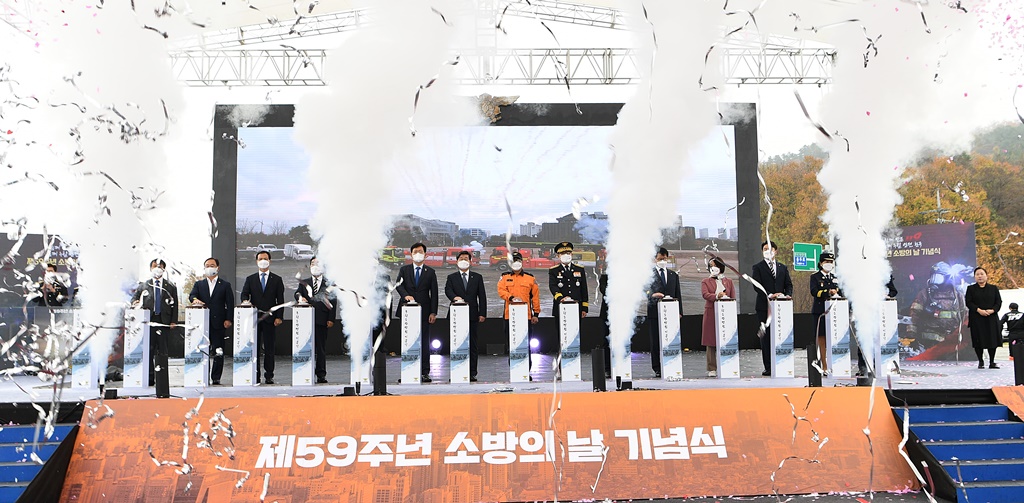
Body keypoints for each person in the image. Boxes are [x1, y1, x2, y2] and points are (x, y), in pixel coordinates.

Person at [131, 259, 178, 388]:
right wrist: (135, 303)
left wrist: (174, 321)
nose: (157, 268)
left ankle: (162, 380)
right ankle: (150, 378)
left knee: (162, 351)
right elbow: (134, 299)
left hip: (164, 322)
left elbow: (175, 306)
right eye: (154, 266)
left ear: (164, 269)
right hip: (148, 322)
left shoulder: (171, 286)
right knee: (149, 351)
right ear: (150, 269)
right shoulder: (143, 285)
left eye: (160, 266)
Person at [240, 251, 285, 385]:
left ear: (270, 261)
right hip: (255, 319)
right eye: (260, 259)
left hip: (271, 319)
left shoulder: (277, 279)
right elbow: (244, 294)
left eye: (265, 258)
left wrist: (279, 317)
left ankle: (269, 375)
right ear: (256, 261)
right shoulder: (250, 279)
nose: (263, 261)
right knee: (255, 348)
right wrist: (245, 301)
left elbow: (280, 300)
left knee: (269, 349)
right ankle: (256, 375)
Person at [395, 243, 438, 382]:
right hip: (407, 311)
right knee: (407, 342)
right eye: (415, 251)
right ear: (411, 254)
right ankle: (407, 371)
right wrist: (405, 296)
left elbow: (435, 293)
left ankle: (425, 372)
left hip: (425, 312)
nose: (418, 254)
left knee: (425, 342)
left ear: (425, 255)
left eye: (420, 251)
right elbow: (399, 285)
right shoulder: (404, 270)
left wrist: (433, 312)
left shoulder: (430, 272)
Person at [188, 257, 234, 385]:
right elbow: (192, 295)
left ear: (218, 268)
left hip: (219, 323)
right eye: (207, 265)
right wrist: (195, 299)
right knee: (204, 351)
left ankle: (216, 377)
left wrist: (228, 319)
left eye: (212, 265)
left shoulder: (225, 285)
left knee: (219, 351)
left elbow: (230, 303)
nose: (210, 267)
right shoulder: (199, 284)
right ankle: (203, 375)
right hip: (203, 324)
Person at [751, 240, 793, 376]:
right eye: (764, 249)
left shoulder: (782, 267)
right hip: (764, 307)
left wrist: (787, 295)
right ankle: (768, 366)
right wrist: (769, 294)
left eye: (770, 249)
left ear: (775, 250)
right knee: (766, 337)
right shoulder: (758, 267)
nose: (767, 251)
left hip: (781, 307)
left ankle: (782, 362)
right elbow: (757, 286)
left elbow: (788, 285)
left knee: (781, 334)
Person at [444, 250, 487, 382]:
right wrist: (454, 297)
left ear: (470, 261)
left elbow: (482, 296)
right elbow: (448, 290)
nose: (463, 260)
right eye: (461, 258)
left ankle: (472, 372)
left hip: (473, 315)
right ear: (457, 261)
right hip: (456, 315)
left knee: (472, 344)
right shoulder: (451, 277)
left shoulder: (477, 277)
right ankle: (456, 370)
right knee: (456, 344)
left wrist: (482, 313)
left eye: (466, 258)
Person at [294, 256, 336, 383]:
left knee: (320, 348)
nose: (315, 266)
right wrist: (300, 297)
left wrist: (331, 318)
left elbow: (333, 300)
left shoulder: (329, 283)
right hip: (306, 320)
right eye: (312, 263)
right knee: (306, 346)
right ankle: (305, 372)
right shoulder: (304, 282)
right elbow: (297, 293)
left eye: (318, 263)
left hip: (322, 318)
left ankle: (321, 374)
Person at [497, 252, 540, 371]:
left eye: (518, 260)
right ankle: (514, 369)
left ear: (522, 262)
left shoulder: (530, 278)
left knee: (526, 344)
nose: (516, 263)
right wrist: (510, 297)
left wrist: (536, 314)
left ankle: (527, 370)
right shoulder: (504, 277)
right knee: (512, 344)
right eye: (513, 260)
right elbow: (501, 291)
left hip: (526, 317)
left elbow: (535, 297)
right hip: (509, 316)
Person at [646, 247, 682, 378]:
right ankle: (657, 367)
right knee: (655, 341)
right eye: (660, 259)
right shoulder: (648, 274)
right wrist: (653, 294)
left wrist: (680, 311)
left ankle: (671, 363)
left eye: (664, 259)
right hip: (654, 312)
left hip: (671, 312)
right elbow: (645, 290)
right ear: (655, 259)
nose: (662, 261)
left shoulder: (673, 275)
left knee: (670, 339)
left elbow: (678, 294)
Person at [701, 256, 734, 378]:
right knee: (711, 341)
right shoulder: (706, 281)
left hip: (726, 313)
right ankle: (711, 368)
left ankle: (727, 364)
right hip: (711, 312)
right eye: (711, 266)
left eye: (715, 265)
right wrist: (716, 296)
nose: (713, 268)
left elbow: (732, 297)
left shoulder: (728, 281)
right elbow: (705, 294)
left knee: (726, 339)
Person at [809, 252, 842, 372]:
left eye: (831, 262)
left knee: (833, 339)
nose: (829, 264)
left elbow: (841, 292)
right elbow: (814, 292)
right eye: (826, 262)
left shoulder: (835, 277)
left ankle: (836, 364)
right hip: (820, 311)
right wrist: (828, 292)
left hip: (835, 312)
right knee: (822, 339)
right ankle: (824, 365)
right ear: (821, 263)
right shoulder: (815, 277)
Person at [965, 266, 1002, 369]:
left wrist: (992, 310)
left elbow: (998, 302)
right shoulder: (971, 289)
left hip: (991, 317)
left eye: (982, 274)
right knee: (978, 340)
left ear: (986, 276)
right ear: (974, 277)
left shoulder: (993, 288)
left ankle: (992, 361)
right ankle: (981, 361)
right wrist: (979, 310)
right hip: (977, 318)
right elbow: (968, 302)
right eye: (977, 274)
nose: (980, 276)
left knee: (992, 340)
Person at [549, 241, 589, 321]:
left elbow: (583, 288)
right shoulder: (554, 270)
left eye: (568, 253)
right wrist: (561, 298)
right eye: (563, 253)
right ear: (558, 256)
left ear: (572, 254)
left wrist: (584, 307)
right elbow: (553, 286)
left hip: (577, 306)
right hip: (560, 305)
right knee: (560, 331)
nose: (566, 255)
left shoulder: (579, 269)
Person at [1000, 303, 1024, 385]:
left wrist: (999, 332)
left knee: (1012, 346)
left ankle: (1012, 356)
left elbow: (1001, 323)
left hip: (1012, 333)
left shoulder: (1007, 315)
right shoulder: (1022, 314)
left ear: (1010, 308)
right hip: (1022, 333)